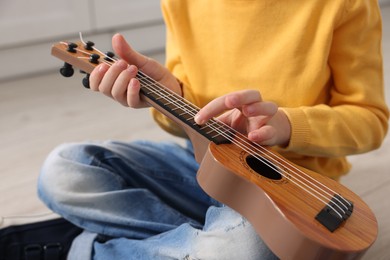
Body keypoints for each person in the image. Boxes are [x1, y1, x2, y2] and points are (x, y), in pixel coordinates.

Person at [38, 0, 389, 259]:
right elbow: (190, 120)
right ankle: (205, 241)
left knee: (243, 249)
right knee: (64, 169)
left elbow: (370, 119)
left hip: (295, 190)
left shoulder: (346, 5)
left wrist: (287, 125)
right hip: (204, 165)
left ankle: (77, 248)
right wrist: (171, 95)